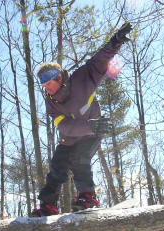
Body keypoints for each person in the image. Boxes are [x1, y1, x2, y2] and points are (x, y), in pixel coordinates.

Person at [32, 22, 132, 217]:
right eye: (43, 86)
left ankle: (88, 196)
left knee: (80, 158)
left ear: (60, 78)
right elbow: (65, 127)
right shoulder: (51, 102)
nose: (47, 89)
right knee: (56, 167)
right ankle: (48, 206)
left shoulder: (82, 78)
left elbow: (100, 59)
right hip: (74, 136)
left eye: (49, 84)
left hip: (93, 133)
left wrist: (115, 41)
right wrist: (89, 126)